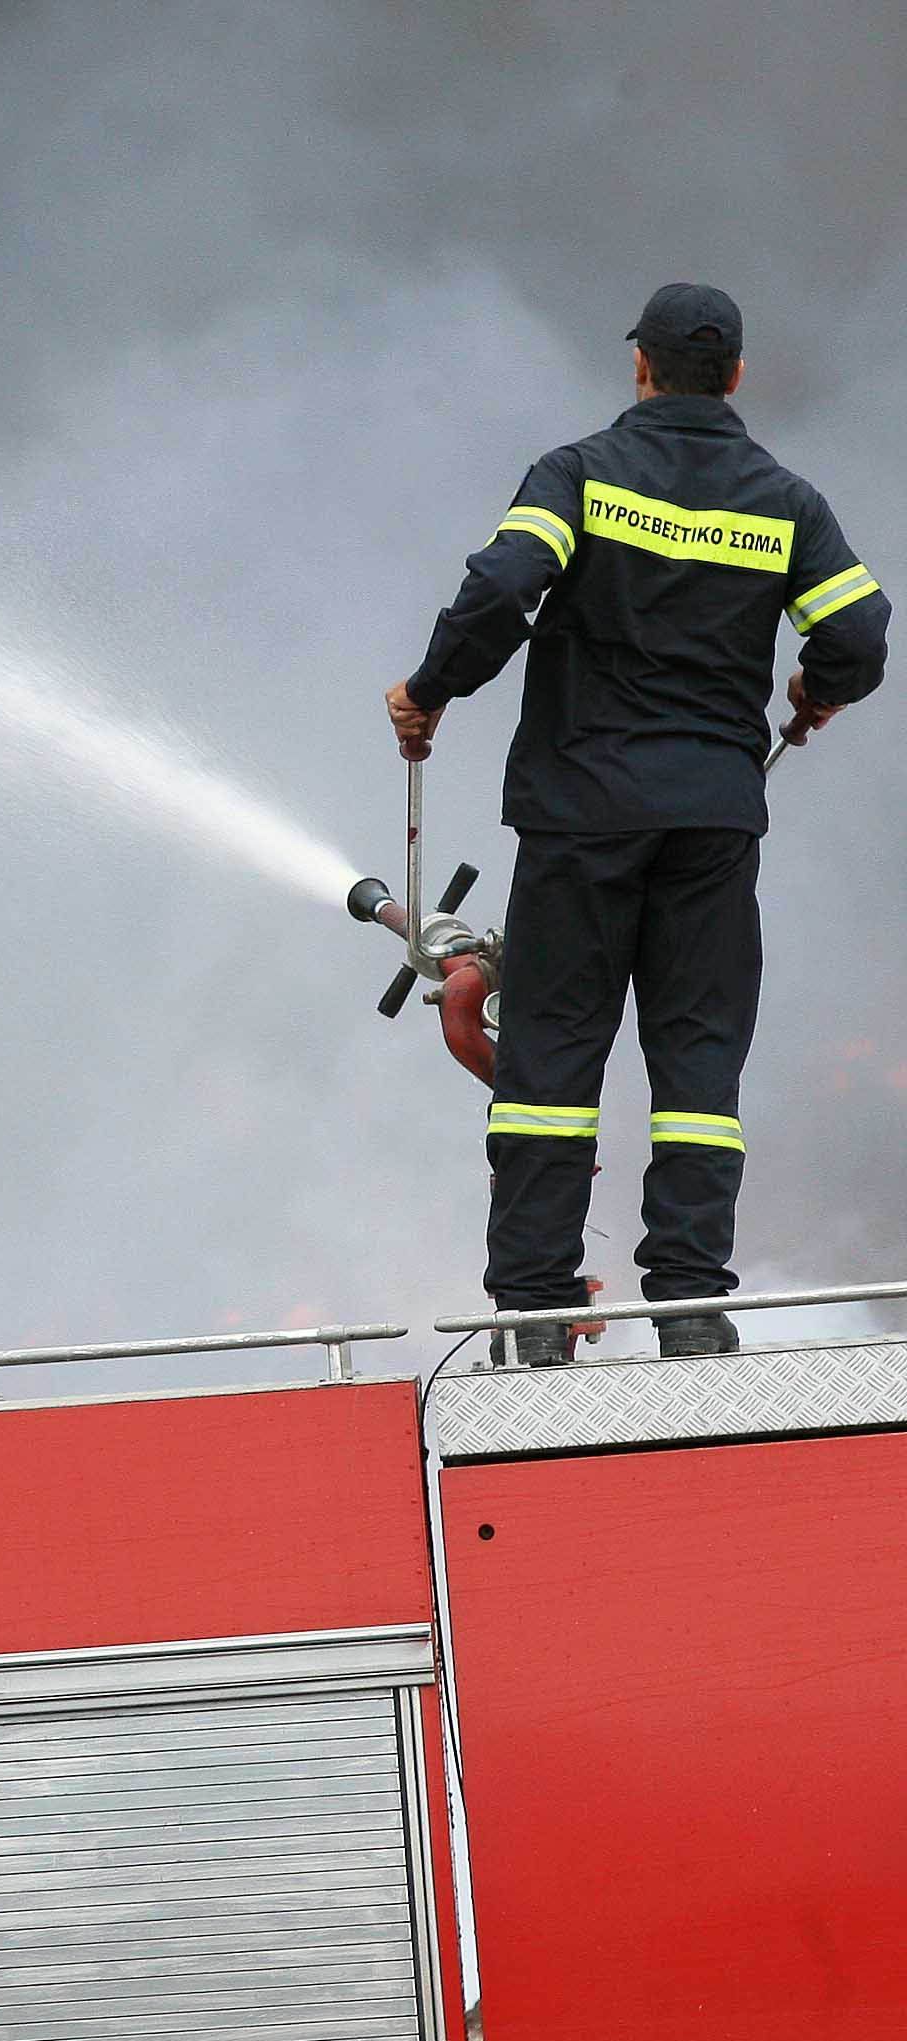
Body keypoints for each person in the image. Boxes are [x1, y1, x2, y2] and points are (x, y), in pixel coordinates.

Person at [385, 283, 887, 1364]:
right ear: (736, 377)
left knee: (551, 1065)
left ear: (639, 367)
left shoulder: (577, 475)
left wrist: (430, 690)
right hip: (709, 827)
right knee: (698, 1067)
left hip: (579, 816)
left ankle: (533, 1310)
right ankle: (693, 1310)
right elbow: (858, 629)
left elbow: (501, 587)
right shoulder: (783, 501)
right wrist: (818, 690)